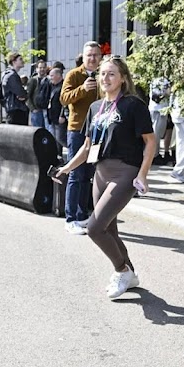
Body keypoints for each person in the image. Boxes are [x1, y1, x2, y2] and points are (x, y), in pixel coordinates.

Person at [52, 56, 156, 299]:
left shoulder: (132, 105)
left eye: (111, 74)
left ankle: (121, 270)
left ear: (123, 78)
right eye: (102, 74)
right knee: (110, 230)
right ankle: (130, 274)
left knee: (95, 228)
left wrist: (143, 173)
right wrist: (66, 167)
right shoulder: (95, 107)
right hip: (100, 172)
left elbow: (150, 141)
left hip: (125, 171)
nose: (105, 78)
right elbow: (87, 147)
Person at [60, 41, 103, 234]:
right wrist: (83, 89)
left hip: (97, 131)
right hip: (77, 130)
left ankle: (82, 214)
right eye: (89, 55)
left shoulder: (104, 74)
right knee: (75, 174)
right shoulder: (74, 75)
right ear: (83, 57)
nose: (92, 58)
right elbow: (63, 98)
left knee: (87, 175)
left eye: (95, 55)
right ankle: (70, 219)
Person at [0, 53, 28, 125]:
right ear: (14, 62)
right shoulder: (12, 75)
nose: (22, 61)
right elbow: (21, 93)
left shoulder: (5, 74)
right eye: (20, 59)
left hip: (10, 108)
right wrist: (25, 95)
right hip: (17, 109)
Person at [45, 64, 67, 147]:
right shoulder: (51, 86)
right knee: (54, 139)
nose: (50, 78)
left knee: (61, 138)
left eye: (52, 76)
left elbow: (65, 102)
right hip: (52, 116)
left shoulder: (63, 86)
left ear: (58, 76)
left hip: (59, 117)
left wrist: (62, 115)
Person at [27, 59, 50, 130]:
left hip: (46, 110)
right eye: (40, 68)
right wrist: (33, 109)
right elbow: (28, 96)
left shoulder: (49, 80)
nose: (42, 69)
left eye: (43, 67)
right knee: (37, 131)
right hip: (37, 111)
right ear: (36, 69)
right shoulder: (33, 80)